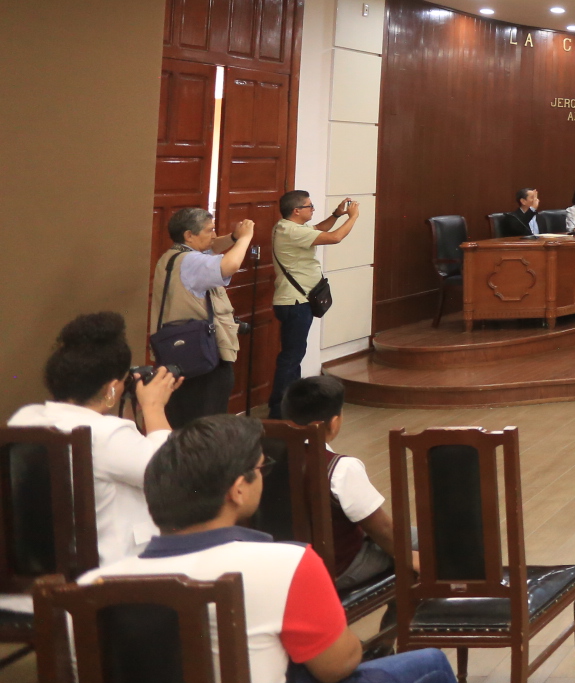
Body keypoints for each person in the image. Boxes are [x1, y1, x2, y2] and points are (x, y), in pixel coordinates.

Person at [84, 415, 504, 683]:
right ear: (238, 490)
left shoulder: (90, 588)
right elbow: (337, 667)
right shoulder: (285, 564)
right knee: (427, 668)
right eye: (260, 468)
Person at [2, 314, 177, 584]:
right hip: (110, 579)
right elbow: (173, 475)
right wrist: (153, 408)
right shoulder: (108, 436)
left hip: (33, 577)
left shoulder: (25, 418)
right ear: (112, 388)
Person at [283, 374, 404, 593]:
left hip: (283, 565)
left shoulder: (264, 456)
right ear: (334, 422)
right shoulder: (341, 468)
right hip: (336, 568)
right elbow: (382, 529)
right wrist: (410, 558)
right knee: (424, 544)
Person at [152, 207, 253, 426]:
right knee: (206, 424)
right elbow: (230, 265)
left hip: (180, 354)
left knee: (181, 420)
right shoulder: (192, 262)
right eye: (210, 230)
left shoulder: (173, 256)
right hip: (204, 358)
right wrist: (245, 238)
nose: (214, 235)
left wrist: (233, 237)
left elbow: (213, 247)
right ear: (189, 235)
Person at [269, 192, 359, 421]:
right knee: (291, 358)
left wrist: (336, 215)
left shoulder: (287, 227)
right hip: (296, 303)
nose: (313, 209)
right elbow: (335, 238)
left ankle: (291, 407)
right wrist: (353, 217)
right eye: (309, 206)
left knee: (294, 356)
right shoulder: (291, 231)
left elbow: (318, 229)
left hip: (296, 301)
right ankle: (279, 413)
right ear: (296, 211)